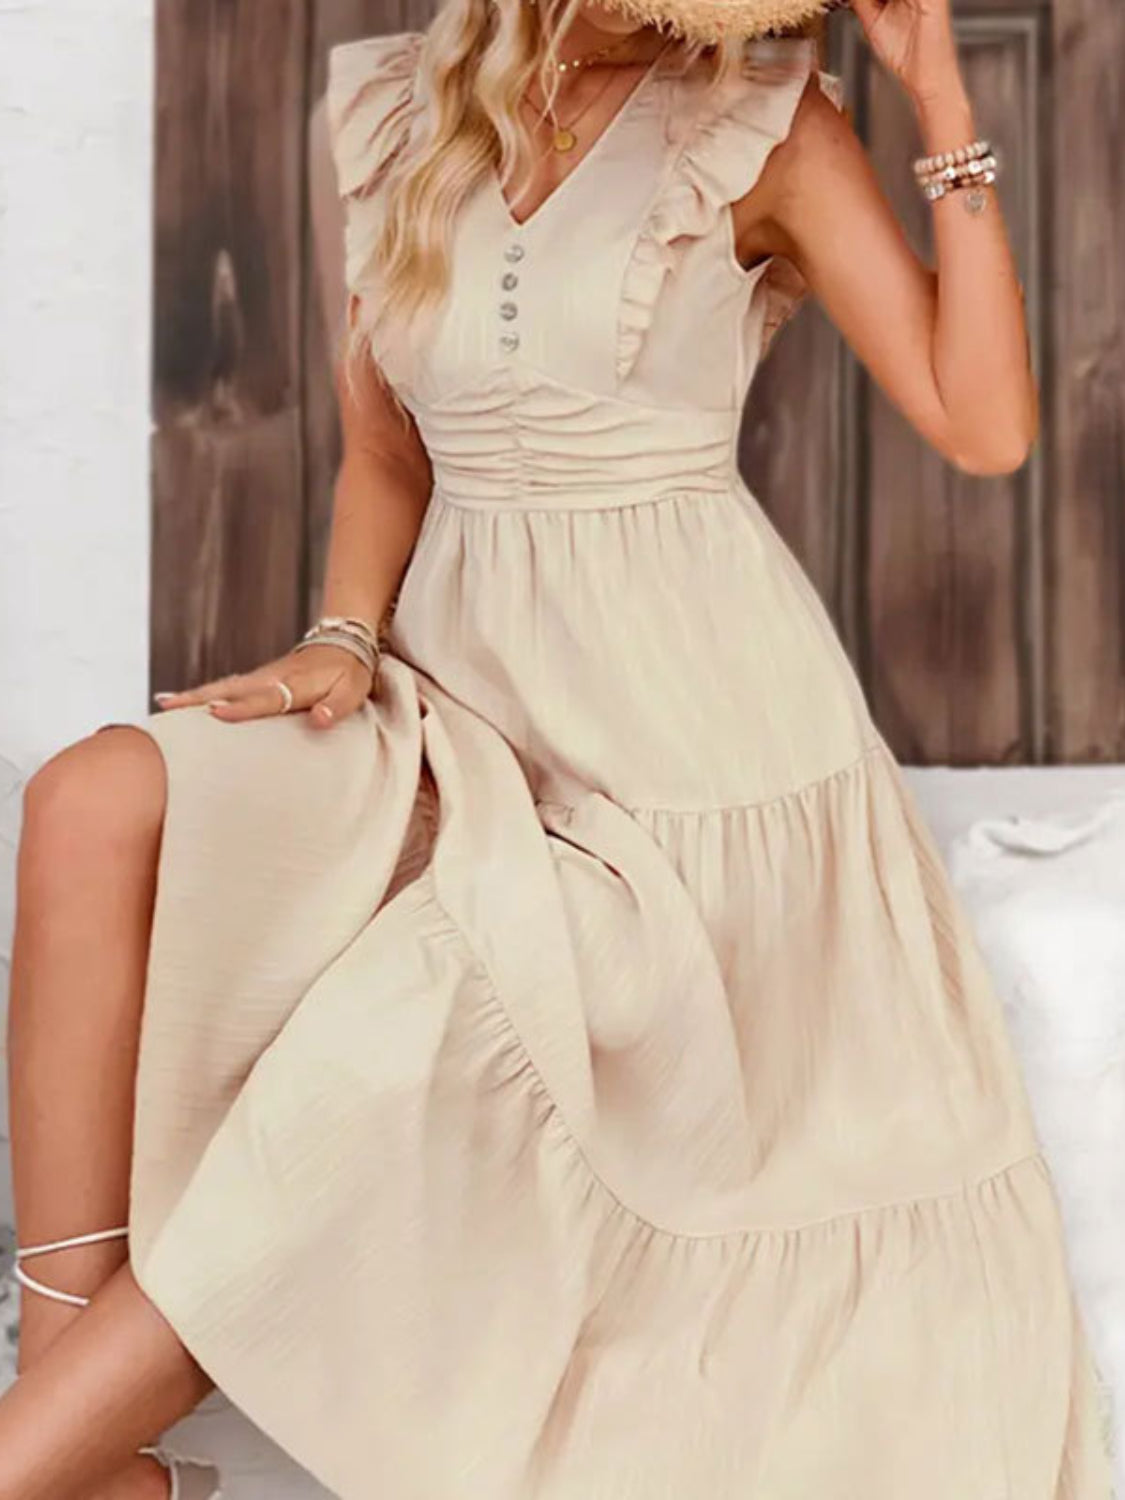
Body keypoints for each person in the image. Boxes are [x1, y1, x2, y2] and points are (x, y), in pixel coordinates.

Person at [0, 0, 1111, 1495]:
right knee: (90, 798)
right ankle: (83, 1439)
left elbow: (984, 426)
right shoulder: (393, 112)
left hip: (688, 755)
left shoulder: (761, 125)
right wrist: (341, 636)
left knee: (396, 1036)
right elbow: (388, 447)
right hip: (460, 709)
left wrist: (937, 97)